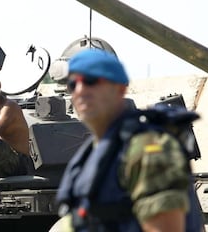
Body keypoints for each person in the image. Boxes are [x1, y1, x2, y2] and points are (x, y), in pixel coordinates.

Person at [56, 49, 203, 231]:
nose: (80, 90)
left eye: (91, 81)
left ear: (120, 88)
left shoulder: (147, 147)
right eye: (72, 84)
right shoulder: (94, 152)